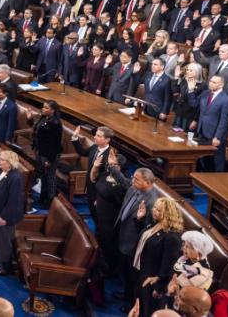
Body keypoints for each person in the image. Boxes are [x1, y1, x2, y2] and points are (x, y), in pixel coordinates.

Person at [71, 124, 123, 276]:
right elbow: (82, 152)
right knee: (95, 219)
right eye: (96, 135)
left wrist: (98, 198)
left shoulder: (111, 156)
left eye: (99, 136)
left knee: (102, 225)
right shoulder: (94, 148)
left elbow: (108, 180)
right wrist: (75, 138)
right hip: (91, 190)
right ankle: (97, 245)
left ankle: (103, 256)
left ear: (107, 140)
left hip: (101, 195)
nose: (95, 137)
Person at [113, 167, 160, 311]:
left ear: (147, 182)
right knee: (126, 273)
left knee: (133, 277)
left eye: (136, 179)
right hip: (123, 235)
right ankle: (126, 294)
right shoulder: (134, 188)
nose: (132, 180)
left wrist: (140, 219)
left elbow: (149, 229)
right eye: (133, 177)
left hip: (134, 245)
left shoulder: (153, 202)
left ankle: (132, 304)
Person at [129, 197, 185, 317]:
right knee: (139, 304)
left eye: (159, 210)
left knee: (148, 310)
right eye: (154, 207)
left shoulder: (172, 237)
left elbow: (169, 264)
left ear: (168, 214)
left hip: (152, 279)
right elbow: (145, 239)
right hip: (141, 271)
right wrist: (140, 219)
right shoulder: (155, 223)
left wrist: (159, 287)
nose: (154, 210)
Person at [0, 150, 24, 276]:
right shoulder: (2, 171)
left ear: (10, 162)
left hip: (4, 216)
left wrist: (4, 216)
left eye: (2, 159)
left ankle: (4, 268)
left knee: (3, 242)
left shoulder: (15, 178)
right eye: (0, 158)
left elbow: (13, 200)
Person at [196, 75, 228, 171]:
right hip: (202, 131)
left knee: (217, 161)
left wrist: (217, 137)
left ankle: (218, 178)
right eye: (210, 81)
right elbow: (195, 105)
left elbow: (224, 121)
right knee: (203, 159)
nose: (211, 83)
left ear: (221, 85)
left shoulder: (226, 100)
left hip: (215, 135)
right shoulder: (206, 93)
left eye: (214, 82)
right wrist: (191, 90)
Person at [32, 100, 63, 208]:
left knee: (50, 177)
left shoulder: (55, 123)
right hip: (40, 151)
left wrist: (49, 159)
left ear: (53, 110)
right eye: (43, 107)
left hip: (49, 155)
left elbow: (54, 143)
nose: (43, 109)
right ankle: (43, 196)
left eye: (46, 108)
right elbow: (37, 131)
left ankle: (51, 200)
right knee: (43, 175)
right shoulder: (43, 118)